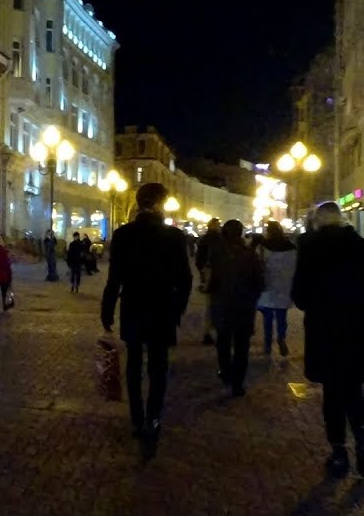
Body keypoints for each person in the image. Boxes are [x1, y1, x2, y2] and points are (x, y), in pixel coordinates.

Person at [292, 201, 364, 478]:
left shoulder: (311, 248)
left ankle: (339, 451)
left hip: (325, 330)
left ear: (318, 220)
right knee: (354, 389)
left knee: (333, 392)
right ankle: (363, 442)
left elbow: (300, 294)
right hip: (359, 329)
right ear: (342, 218)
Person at [101, 183, 193, 445]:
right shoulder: (174, 237)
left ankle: (136, 418)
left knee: (133, 365)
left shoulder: (123, 235)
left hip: (133, 308)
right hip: (162, 311)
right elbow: (184, 280)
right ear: (160, 204)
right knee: (158, 367)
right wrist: (177, 310)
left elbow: (114, 278)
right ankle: (153, 418)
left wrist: (107, 311)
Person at [207, 220, 264, 397]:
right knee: (241, 346)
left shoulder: (217, 253)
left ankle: (226, 373)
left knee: (223, 343)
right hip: (244, 307)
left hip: (222, 306)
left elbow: (213, 281)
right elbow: (259, 282)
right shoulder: (250, 254)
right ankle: (238, 384)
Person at [256, 221, 298, 357]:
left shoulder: (263, 247)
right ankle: (281, 337)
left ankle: (268, 344)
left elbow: (258, 265)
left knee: (267, 317)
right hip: (284, 286)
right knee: (281, 316)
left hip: (267, 286)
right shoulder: (292, 248)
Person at [194, 218, 223, 346]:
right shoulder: (221, 239)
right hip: (220, 274)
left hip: (208, 272)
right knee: (219, 303)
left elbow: (198, 259)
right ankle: (219, 330)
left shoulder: (204, 239)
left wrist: (202, 272)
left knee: (209, 304)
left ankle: (207, 333)